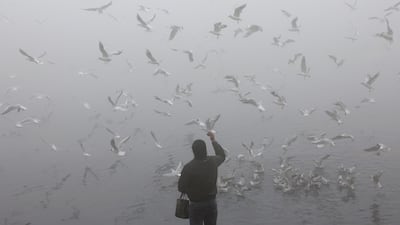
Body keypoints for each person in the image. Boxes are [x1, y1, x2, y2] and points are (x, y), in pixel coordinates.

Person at [178, 131, 226, 225]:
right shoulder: (213, 161)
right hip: (211, 203)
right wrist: (213, 140)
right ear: (205, 149)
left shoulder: (189, 168)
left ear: (193, 151)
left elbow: (181, 188)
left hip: (196, 205)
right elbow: (222, 156)